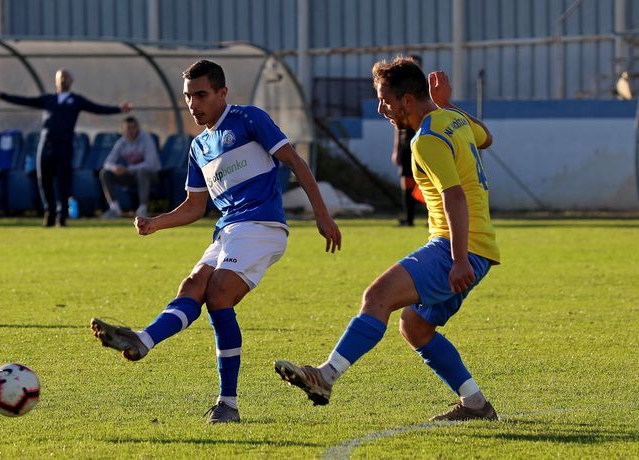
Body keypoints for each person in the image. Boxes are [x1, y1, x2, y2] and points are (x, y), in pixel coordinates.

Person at [89, 60, 342, 424]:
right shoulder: (198, 147)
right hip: (227, 231)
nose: (194, 104)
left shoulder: (249, 119)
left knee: (219, 293)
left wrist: (322, 214)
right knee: (193, 286)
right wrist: (156, 223)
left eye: (201, 95)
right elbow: (195, 205)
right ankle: (144, 340)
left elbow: (296, 162)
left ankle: (228, 402)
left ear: (222, 93)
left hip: (262, 226)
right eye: (188, 97)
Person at [273, 57, 500, 422]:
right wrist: (448, 104)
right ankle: (475, 404)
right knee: (415, 326)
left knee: (377, 296)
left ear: (408, 100)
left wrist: (458, 259)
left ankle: (326, 377)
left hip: (457, 247)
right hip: (477, 248)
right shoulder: (453, 120)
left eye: (385, 100)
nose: (382, 109)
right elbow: (486, 137)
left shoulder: (427, 139)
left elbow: (454, 197)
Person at [0, 69, 131, 227]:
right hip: (46, 144)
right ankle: (49, 212)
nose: (63, 79)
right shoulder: (49, 99)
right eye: (60, 77)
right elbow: (25, 101)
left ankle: (61, 215)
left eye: (66, 77)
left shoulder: (76, 100)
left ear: (71, 81)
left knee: (63, 181)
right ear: (56, 81)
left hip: (64, 146)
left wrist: (119, 109)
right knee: (44, 179)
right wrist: (1, 95)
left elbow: (98, 108)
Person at [99, 116, 161, 218]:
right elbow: (107, 163)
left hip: (151, 175)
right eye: (128, 128)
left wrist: (128, 169)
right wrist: (115, 168)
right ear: (122, 130)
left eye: (134, 127)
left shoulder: (146, 139)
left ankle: (142, 208)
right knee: (105, 173)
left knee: (142, 171)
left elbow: (151, 163)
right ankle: (114, 208)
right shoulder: (121, 142)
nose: (131, 131)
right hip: (131, 176)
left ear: (138, 128)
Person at [393, 55, 424, 226]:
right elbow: (396, 123)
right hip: (406, 144)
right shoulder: (398, 90)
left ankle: (432, 218)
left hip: (421, 140)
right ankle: (409, 218)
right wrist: (396, 149)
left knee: (428, 182)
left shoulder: (422, 90)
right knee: (406, 182)